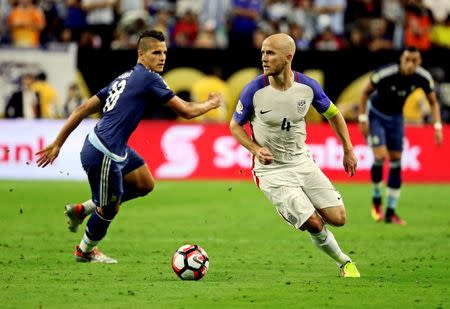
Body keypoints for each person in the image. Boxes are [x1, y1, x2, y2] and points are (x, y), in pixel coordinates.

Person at [36, 30, 223, 263]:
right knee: (109, 209)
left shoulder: (124, 78)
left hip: (114, 147)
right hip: (104, 153)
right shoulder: (149, 77)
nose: (162, 57)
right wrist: (211, 104)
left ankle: (82, 210)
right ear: (141, 54)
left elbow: (82, 109)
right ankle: (84, 251)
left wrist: (57, 143)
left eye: (164, 52)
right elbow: (186, 111)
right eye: (156, 52)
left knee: (145, 183)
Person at [229, 33, 360, 278]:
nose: (263, 58)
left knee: (338, 218)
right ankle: (344, 262)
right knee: (314, 223)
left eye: (270, 53)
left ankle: (300, 210)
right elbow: (235, 126)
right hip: (271, 171)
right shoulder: (254, 90)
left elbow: (333, 114)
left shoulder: (307, 87)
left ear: (288, 57)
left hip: (302, 161)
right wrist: (255, 149)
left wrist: (348, 149)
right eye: (262, 53)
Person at [358, 46, 443, 225]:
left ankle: (390, 212)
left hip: (397, 118)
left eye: (415, 61)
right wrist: (363, 118)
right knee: (380, 156)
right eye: (407, 60)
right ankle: (376, 199)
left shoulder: (423, 77)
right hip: (377, 115)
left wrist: (437, 126)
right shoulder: (385, 73)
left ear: (419, 62)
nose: (411, 65)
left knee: (396, 160)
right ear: (401, 60)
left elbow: (433, 102)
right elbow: (365, 93)